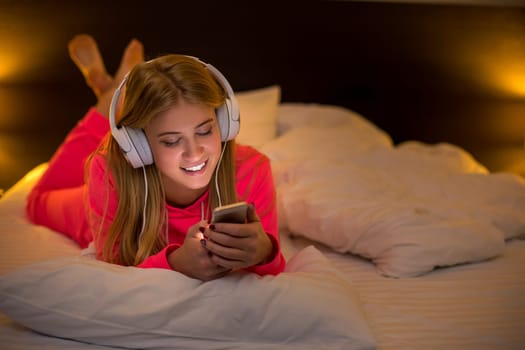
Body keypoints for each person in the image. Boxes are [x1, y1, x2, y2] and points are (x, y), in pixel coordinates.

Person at [26, 34, 286, 281]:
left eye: (205, 130)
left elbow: (271, 267)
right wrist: (176, 263)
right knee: (37, 202)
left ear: (224, 123)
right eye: (171, 141)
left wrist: (264, 251)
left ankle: (114, 93)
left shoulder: (253, 169)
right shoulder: (110, 174)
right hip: (92, 211)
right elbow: (113, 265)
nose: (194, 152)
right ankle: (108, 101)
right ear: (138, 145)